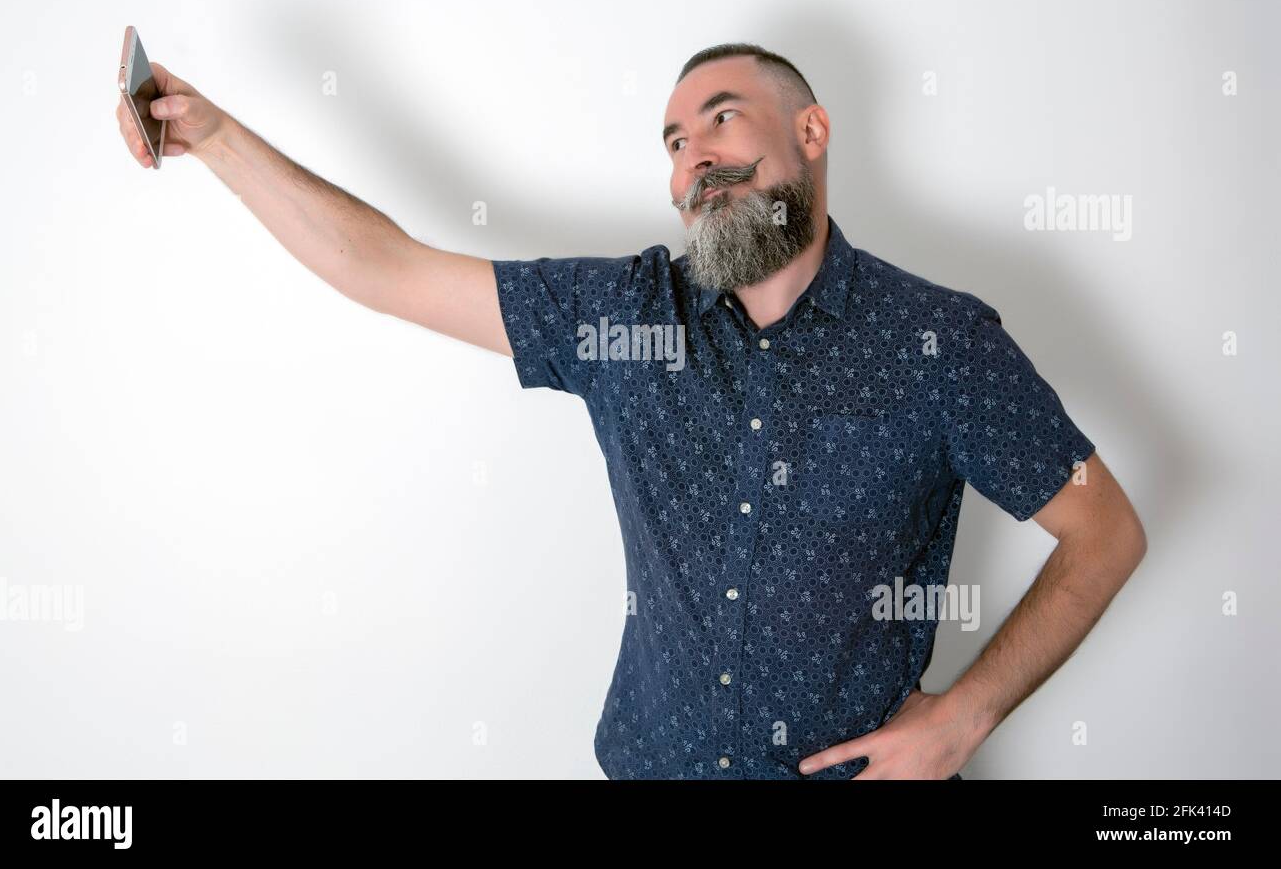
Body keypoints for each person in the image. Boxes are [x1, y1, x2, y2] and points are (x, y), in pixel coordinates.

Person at [115, 41, 1146, 780]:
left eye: (720, 118)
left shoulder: (941, 341)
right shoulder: (626, 316)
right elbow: (385, 266)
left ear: (811, 129)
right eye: (671, 140)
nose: (690, 154)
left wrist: (965, 716)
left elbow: (1103, 530)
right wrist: (212, 135)